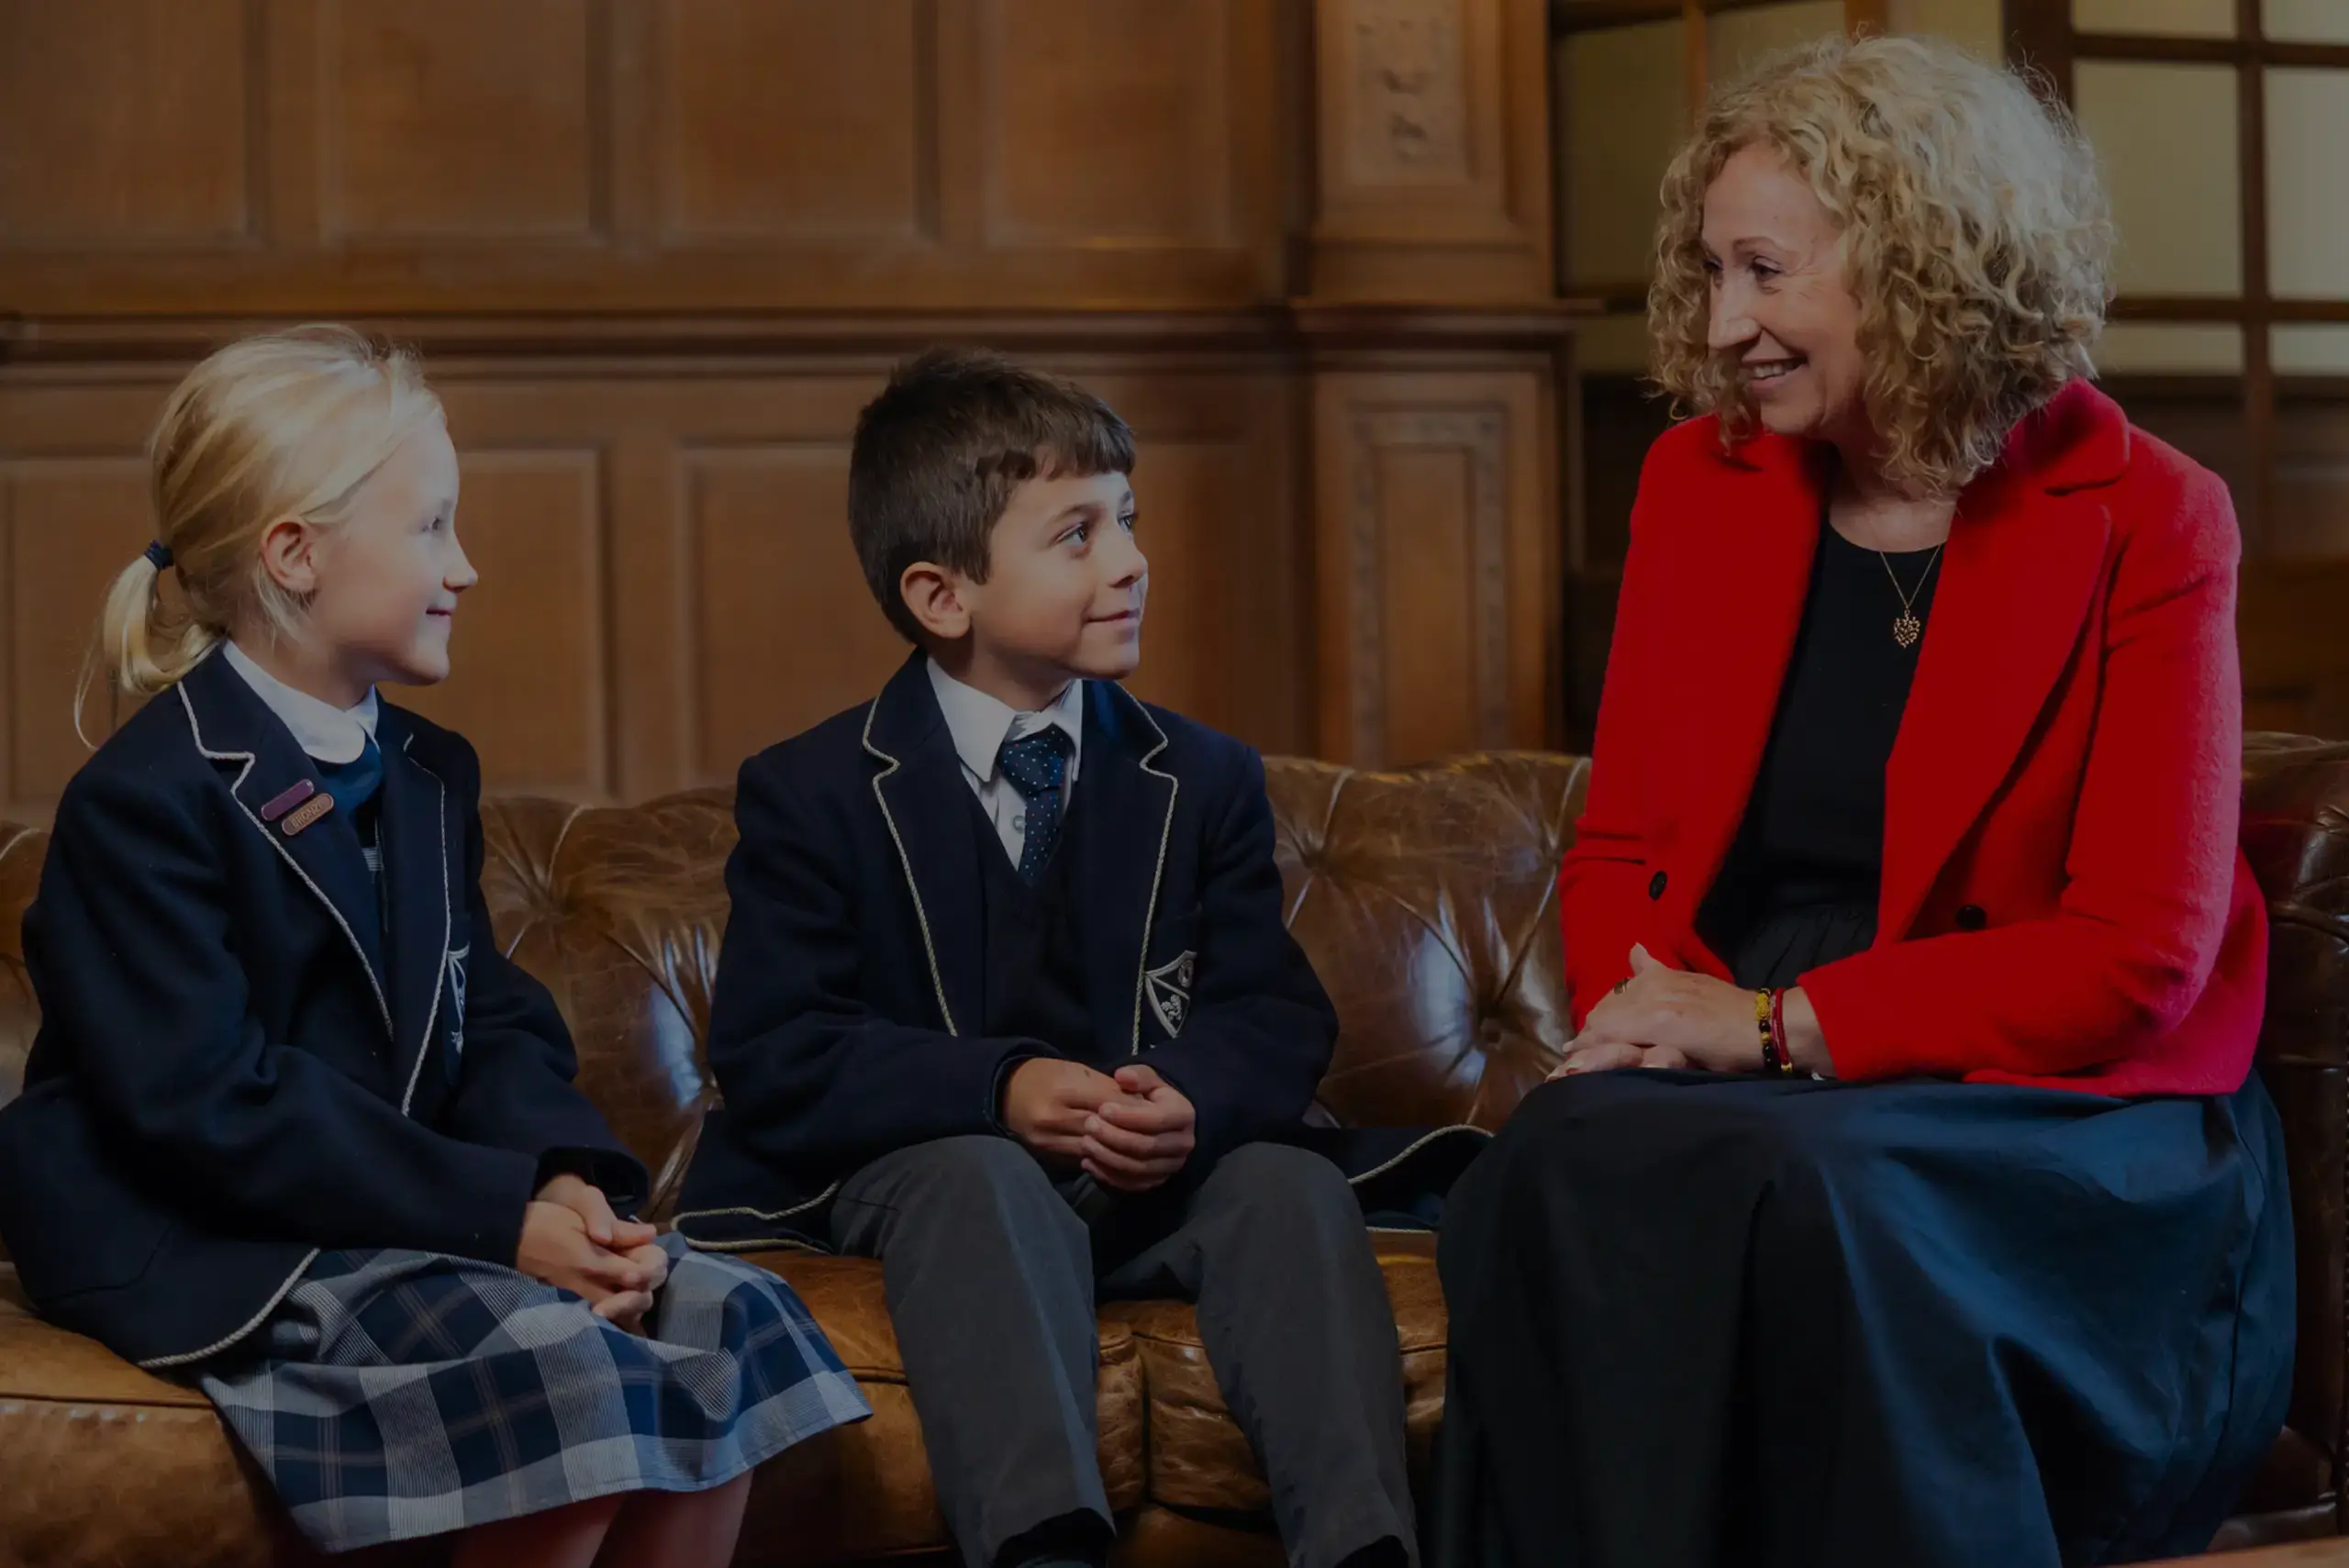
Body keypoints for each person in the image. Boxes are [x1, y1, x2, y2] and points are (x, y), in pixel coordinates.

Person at [1431, 35, 2292, 1568]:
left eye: (1765, 272)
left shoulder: (2154, 514)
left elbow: (2136, 957)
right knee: (1546, 1168)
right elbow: (1620, 841)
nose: (1725, 324)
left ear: (1918, 266)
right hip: (1745, 1052)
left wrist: (1776, 1030)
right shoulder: (1695, 483)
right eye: (1712, 272)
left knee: (1818, 1190)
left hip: (2047, 1091)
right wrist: (1652, 1018)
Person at [0, 327, 869, 1563]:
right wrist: (496, 1219)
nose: (465, 566)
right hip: (212, 1232)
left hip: (393, 1207)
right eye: (429, 528)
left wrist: (560, 1183)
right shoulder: (147, 800)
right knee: (571, 1373)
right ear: (294, 554)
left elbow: (491, 1017)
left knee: (740, 1319)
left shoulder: (424, 769)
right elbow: (211, 1110)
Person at [673, 349, 1434, 1568]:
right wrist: (1003, 1087)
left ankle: (1363, 1549)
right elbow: (779, 1049)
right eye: (1076, 534)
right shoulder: (813, 792)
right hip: (921, 1176)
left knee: (1284, 1187)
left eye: (1127, 519)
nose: (1130, 560)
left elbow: (1273, 1014)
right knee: (982, 1176)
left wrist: (1185, 1098)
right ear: (943, 596)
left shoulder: (1203, 778)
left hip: (1145, 1181)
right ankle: (1043, 1549)